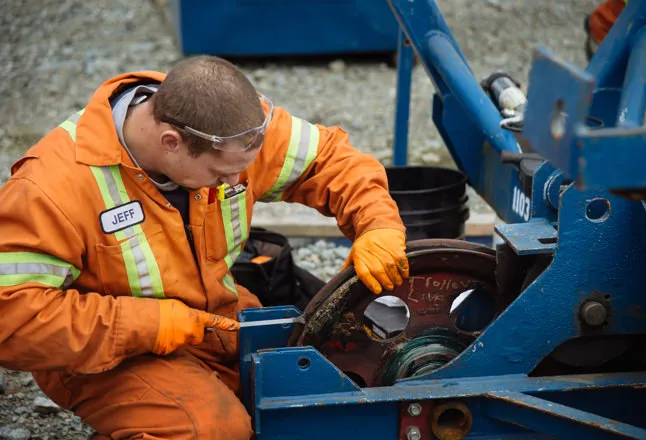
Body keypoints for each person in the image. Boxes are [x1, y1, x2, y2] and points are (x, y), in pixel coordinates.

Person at [0, 55, 410, 439]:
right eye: (221, 173)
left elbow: (332, 159)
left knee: (317, 381)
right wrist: (146, 325)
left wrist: (377, 225)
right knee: (210, 429)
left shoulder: (226, 125)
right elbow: (12, 318)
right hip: (106, 354)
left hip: (213, 322)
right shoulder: (51, 188)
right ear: (170, 142)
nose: (235, 183)